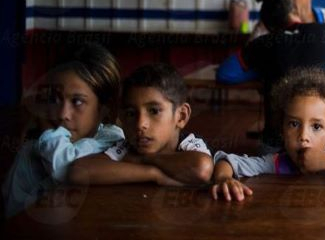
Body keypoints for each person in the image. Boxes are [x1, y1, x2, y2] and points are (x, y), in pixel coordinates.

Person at [217, 0, 325, 145]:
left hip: (278, 144)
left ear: (268, 26)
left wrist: (267, 70)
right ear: (293, 11)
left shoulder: (264, 43)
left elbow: (224, 74)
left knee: (265, 153)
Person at [210, 68, 325, 200]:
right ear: (282, 130)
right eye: (294, 124)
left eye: (316, 127)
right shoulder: (276, 163)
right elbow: (227, 161)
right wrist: (224, 178)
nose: (303, 135)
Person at [2, 43, 124, 218]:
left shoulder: (110, 138)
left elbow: (64, 166)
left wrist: (45, 125)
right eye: (55, 99)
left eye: (77, 101)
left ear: (104, 108)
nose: (62, 114)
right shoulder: (31, 152)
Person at [67, 64, 213, 186]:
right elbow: (78, 172)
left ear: (181, 116)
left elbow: (202, 169)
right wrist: (154, 174)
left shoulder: (188, 145)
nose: (140, 124)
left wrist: (141, 160)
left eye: (154, 111)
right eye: (131, 113)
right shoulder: (125, 148)